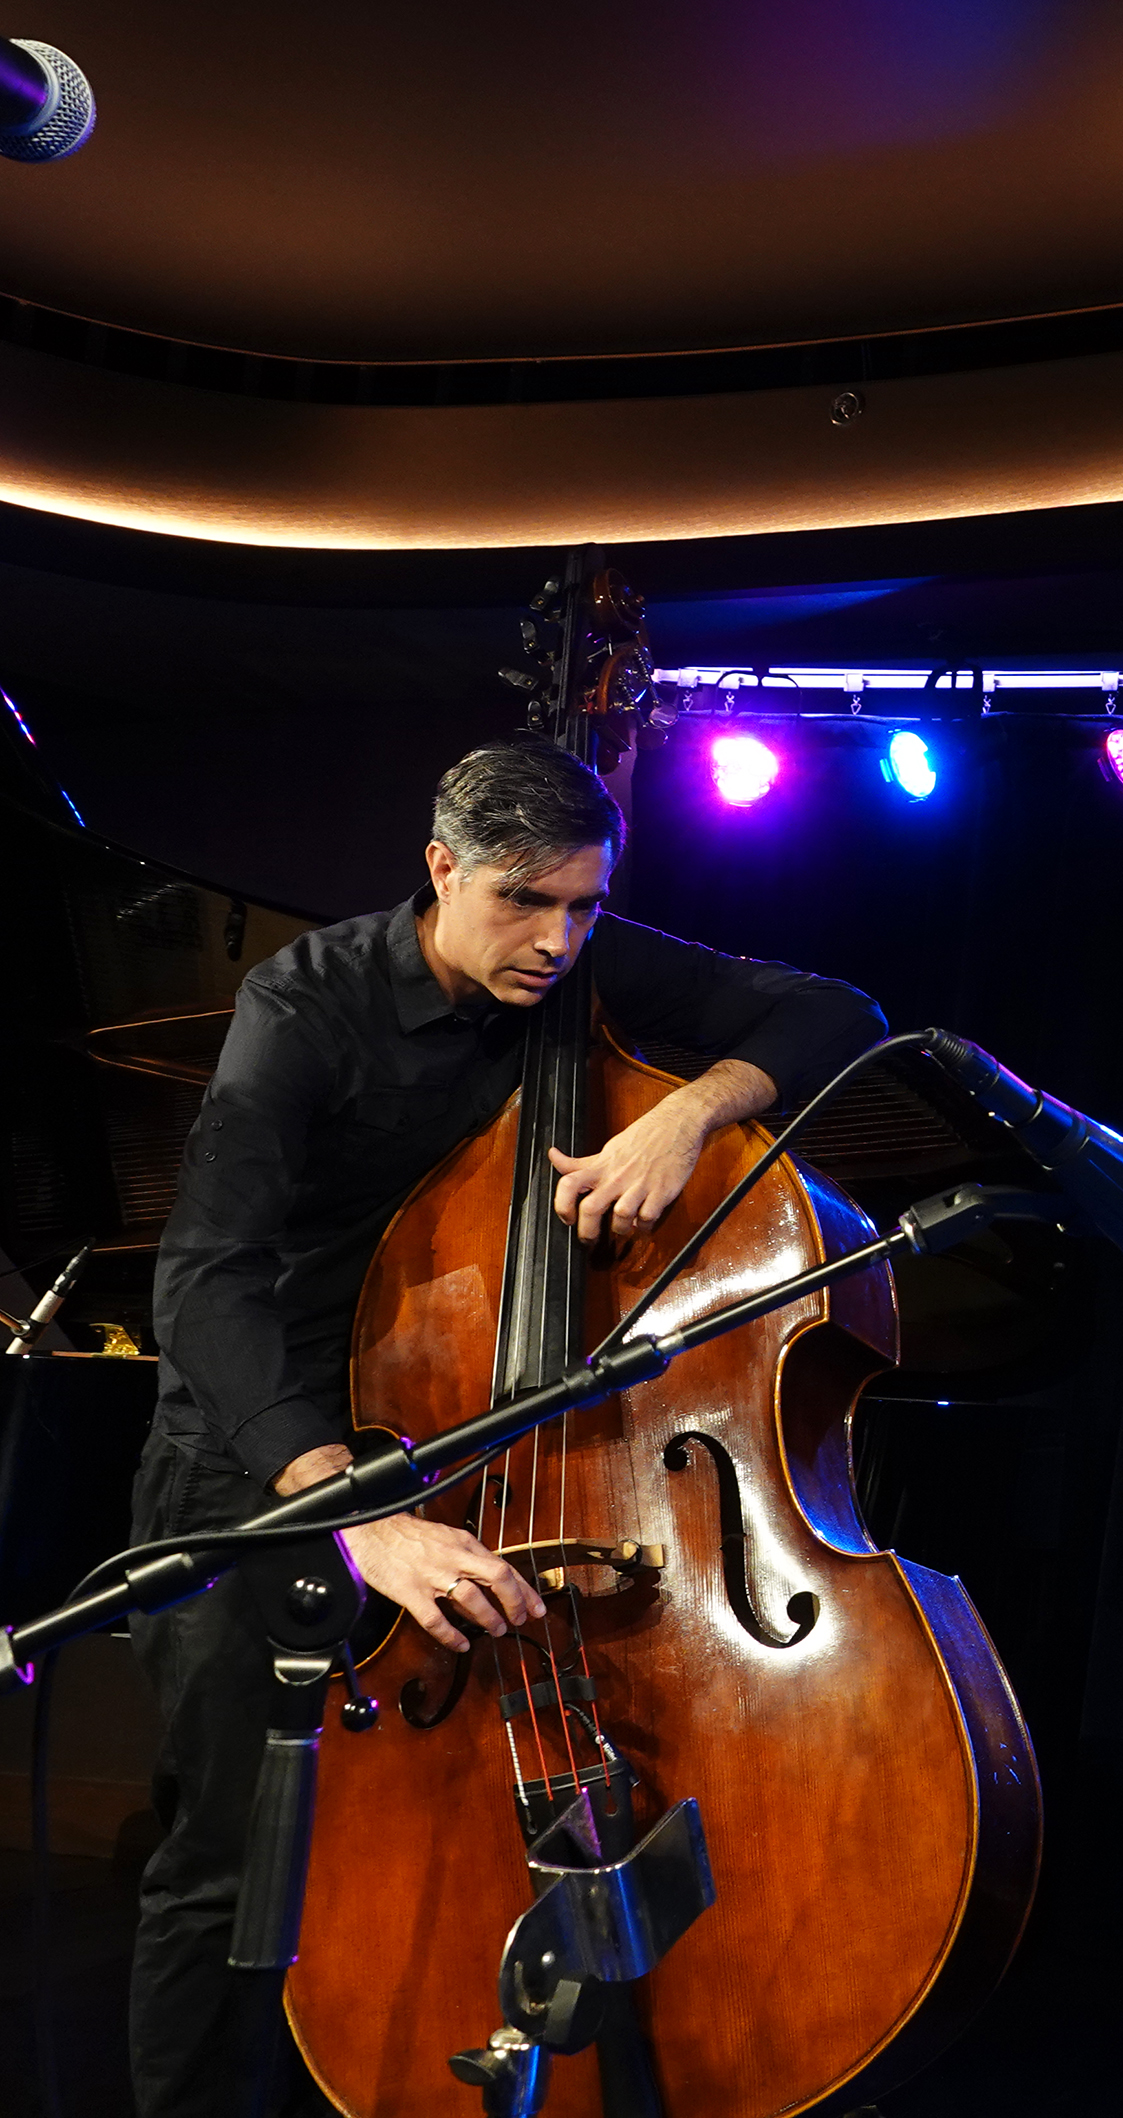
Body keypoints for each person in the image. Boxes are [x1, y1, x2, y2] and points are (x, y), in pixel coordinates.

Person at [129, 735, 885, 2118]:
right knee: (228, 1864)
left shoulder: (575, 960)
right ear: (441, 870)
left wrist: (694, 1113)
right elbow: (202, 1278)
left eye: (588, 905)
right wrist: (348, 1509)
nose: (559, 941)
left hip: (456, 1447)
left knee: (436, 1837)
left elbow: (838, 1010)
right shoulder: (303, 1007)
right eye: (524, 904)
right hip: (264, 1457)